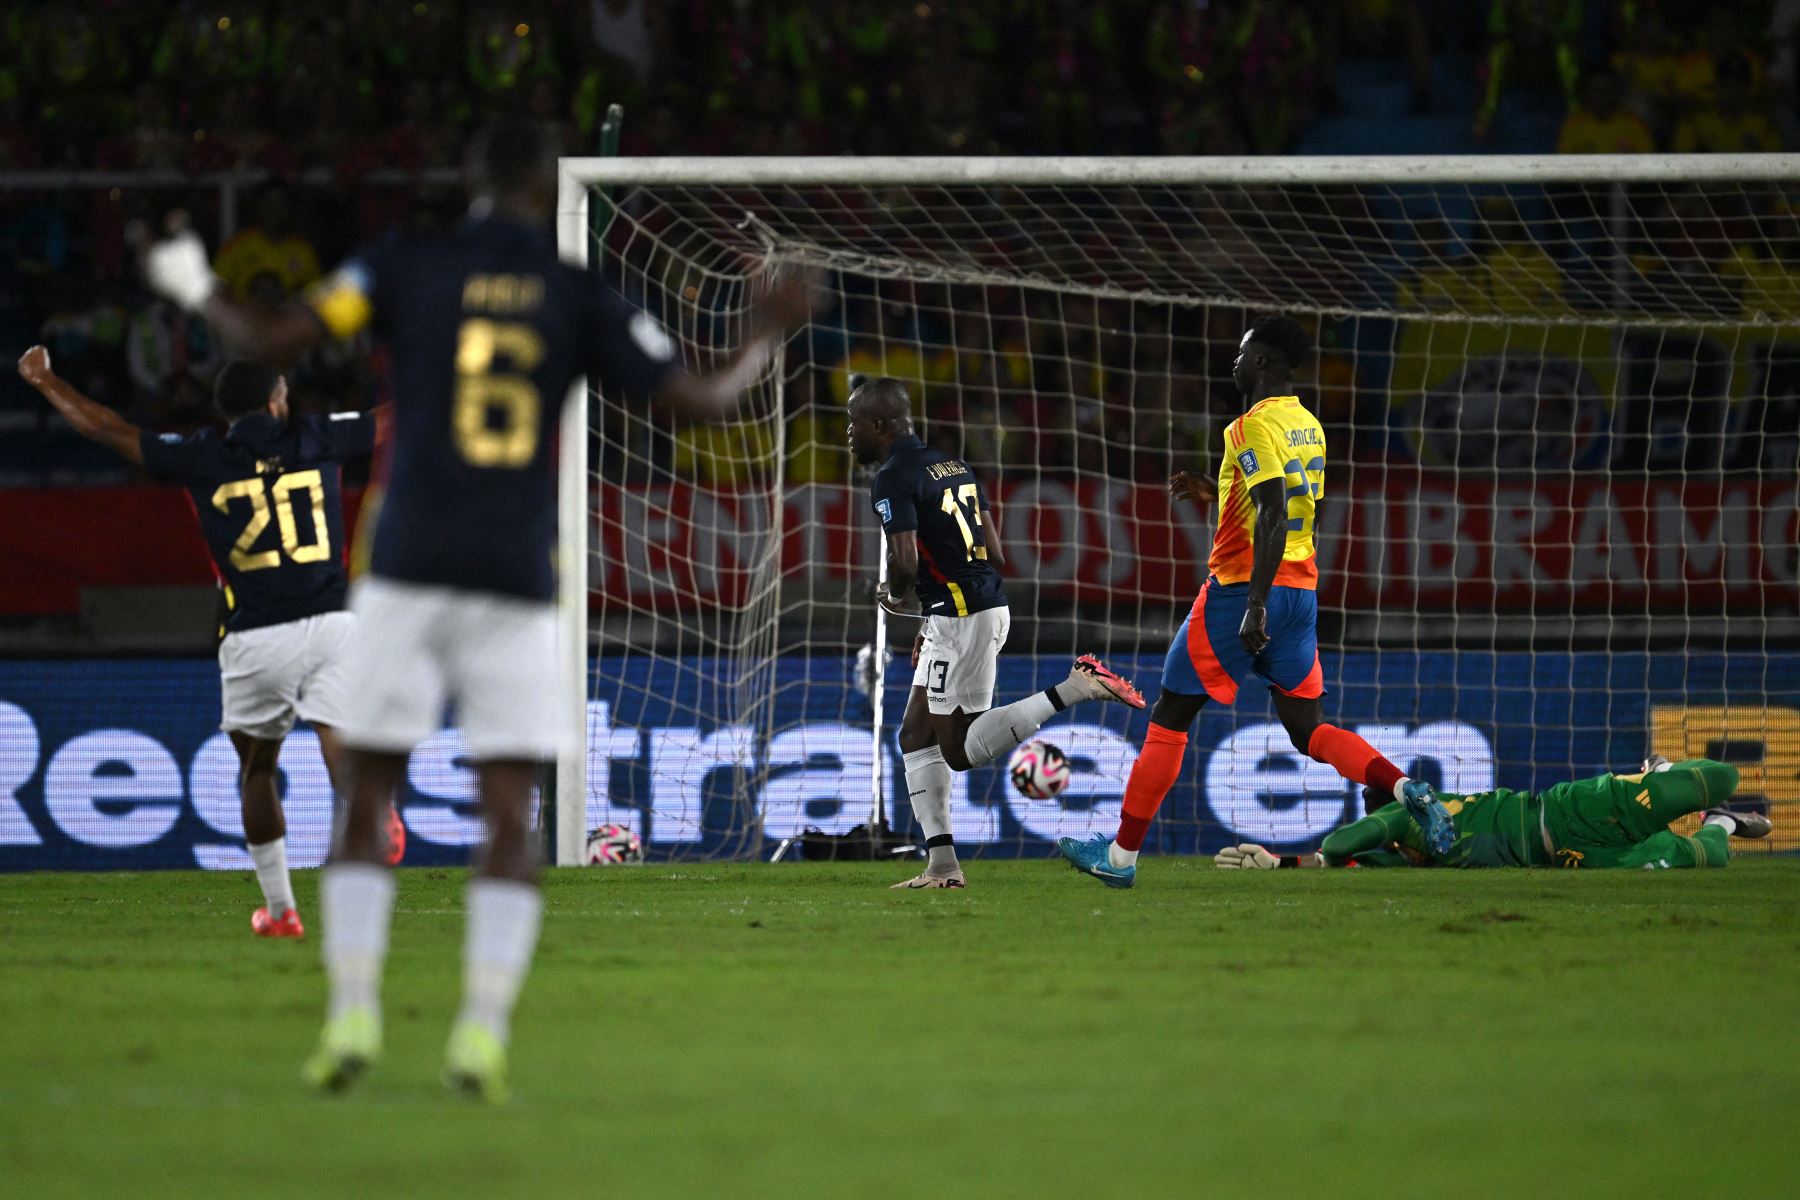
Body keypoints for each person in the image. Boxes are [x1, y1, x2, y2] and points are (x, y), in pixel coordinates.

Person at [143, 116, 814, 1103]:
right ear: (550, 191)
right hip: (513, 575)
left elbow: (267, 337)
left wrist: (189, 280)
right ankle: (480, 1032)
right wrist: (768, 326)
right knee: (508, 809)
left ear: (466, 179)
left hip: (405, 567)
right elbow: (705, 398)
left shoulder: (401, 263)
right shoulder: (573, 291)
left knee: (365, 791)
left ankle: (352, 1012)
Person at [15, 346, 399, 935]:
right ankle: (378, 815)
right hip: (332, 623)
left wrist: (46, 382)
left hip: (254, 635)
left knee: (258, 771)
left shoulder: (201, 454)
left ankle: (279, 912)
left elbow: (107, 428)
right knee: (337, 735)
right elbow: (393, 421)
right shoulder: (319, 436)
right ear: (275, 400)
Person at [1059, 315, 1447, 890]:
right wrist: (1215, 491)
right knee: (1308, 728)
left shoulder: (1247, 426)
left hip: (1244, 591)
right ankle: (1402, 786)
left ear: (1262, 361)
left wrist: (1254, 604)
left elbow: (1271, 510)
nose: (1233, 363)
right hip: (1301, 591)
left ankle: (1118, 858)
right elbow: (1281, 503)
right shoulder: (1307, 424)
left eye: (1242, 354)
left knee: (1170, 715)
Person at [848, 375, 1146, 890]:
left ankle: (1075, 687)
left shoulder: (893, 477)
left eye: (853, 423)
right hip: (973, 608)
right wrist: (934, 617)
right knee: (915, 735)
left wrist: (895, 593)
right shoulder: (955, 466)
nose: (848, 435)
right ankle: (942, 866)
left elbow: (901, 563)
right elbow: (995, 551)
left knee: (959, 751)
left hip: (963, 617)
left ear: (879, 424)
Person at [1215, 757, 1771, 870]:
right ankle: (1721, 822)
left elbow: (1340, 849)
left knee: (1719, 778)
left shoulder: (1405, 823)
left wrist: (1326, 856)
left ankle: (1662, 769)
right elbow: (1340, 863)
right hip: (1577, 860)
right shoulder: (1408, 863)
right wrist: (1281, 864)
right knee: (1703, 856)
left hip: (1569, 812)